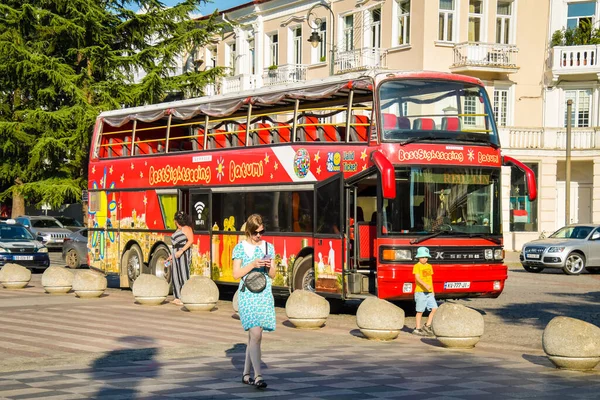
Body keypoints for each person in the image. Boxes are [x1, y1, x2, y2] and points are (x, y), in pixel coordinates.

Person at [232, 214, 276, 390]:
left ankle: (246, 374)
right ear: (248, 232)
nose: (259, 236)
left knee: (255, 336)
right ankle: (258, 376)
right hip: (248, 294)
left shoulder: (268, 246)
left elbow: (273, 275)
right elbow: (236, 274)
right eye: (256, 233)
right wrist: (252, 264)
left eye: (262, 232)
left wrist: (268, 266)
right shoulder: (240, 248)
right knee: (256, 334)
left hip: (264, 293)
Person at [166, 211, 193, 306]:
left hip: (183, 253)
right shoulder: (178, 229)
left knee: (183, 274)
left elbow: (190, 241)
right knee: (175, 275)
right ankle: (177, 297)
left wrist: (181, 251)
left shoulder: (187, 228)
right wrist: (171, 256)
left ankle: (185, 296)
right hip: (175, 253)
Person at [412, 246, 438, 336]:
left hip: (429, 292)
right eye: (422, 257)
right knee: (420, 311)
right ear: (418, 257)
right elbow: (417, 278)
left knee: (434, 308)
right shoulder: (417, 266)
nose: (424, 259)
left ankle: (427, 325)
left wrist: (432, 290)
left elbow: (430, 279)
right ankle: (417, 328)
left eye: (426, 257)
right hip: (420, 292)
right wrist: (424, 285)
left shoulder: (429, 266)